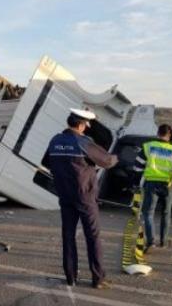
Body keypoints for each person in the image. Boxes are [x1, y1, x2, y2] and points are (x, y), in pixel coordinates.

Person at [44, 109, 118, 289]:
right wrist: (116, 157)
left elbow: (47, 162)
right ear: (81, 125)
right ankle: (98, 279)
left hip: (64, 196)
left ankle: (70, 276)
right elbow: (108, 161)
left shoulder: (55, 141)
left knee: (68, 235)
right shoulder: (83, 142)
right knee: (92, 236)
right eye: (85, 125)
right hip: (85, 196)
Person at [132, 124, 172, 253]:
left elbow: (137, 167)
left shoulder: (147, 147)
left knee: (148, 213)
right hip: (168, 186)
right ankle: (163, 242)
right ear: (169, 136)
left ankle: (151, 242)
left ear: (157, 133)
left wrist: (135, 183)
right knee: (166, 213)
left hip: (151, 184)